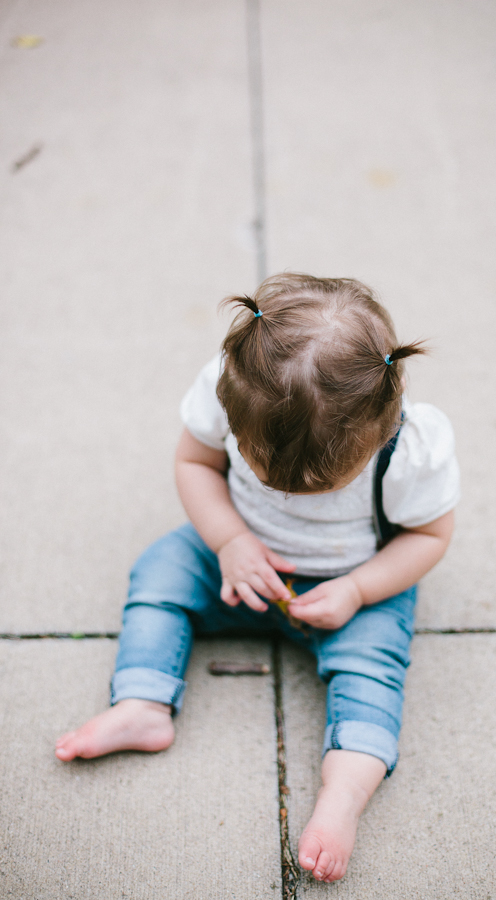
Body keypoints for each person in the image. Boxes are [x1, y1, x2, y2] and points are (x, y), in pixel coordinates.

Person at [56, 273, 459, 883]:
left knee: (372, 673)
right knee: (160, 571)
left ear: (381, 428)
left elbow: (429, 538)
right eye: (264, 471)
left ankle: (344, 792)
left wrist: (359, 589)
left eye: (319, 486)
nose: (289, 495)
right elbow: (194, 462)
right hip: (233, 558)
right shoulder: (229, 390)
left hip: (353, 585)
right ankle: (142, 702)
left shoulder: (412, 450)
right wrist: (229, 539)